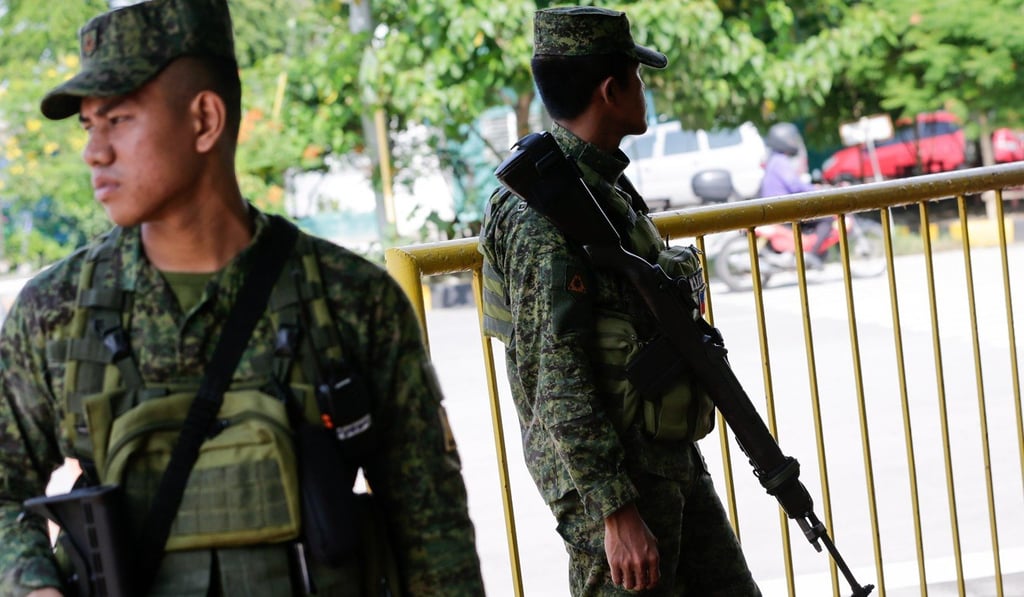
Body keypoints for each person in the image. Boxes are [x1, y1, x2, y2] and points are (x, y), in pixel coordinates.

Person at [0, 0, 484, 595]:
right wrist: (33, 587)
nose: (94, 152)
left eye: (119, 120)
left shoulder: (350, 300)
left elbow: (432, 526)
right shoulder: (54, 312)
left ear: (205, 120)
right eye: (88, 125)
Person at [479, 6, 761, 596]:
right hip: (615, 487)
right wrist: (615, 512)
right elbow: (554, 377)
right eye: (636, 77)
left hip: (660, 455)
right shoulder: (541, 211)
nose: (644, 90)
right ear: (610, 91)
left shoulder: (594, 182)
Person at [760, 122, 831, 268]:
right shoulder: (780, 161)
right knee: (827, 218)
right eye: (791, 139)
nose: (794, 143)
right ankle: (812, 255)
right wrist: (815, 190)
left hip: (778, 207)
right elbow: (794, 185)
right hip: (784, 209)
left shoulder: (774, 159)